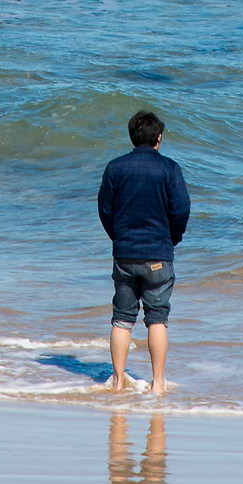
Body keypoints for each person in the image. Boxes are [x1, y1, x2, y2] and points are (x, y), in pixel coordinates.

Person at [98, 109, 190, 395]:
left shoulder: (115, 168)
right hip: (158, 254)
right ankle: (158, 383)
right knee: (157, 318)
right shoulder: (170, 169)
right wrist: (171, 239)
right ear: (159, 138)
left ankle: (118, 380)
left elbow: (105, 210)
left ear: (131, 137)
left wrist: (119, 237)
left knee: (122, 319)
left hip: (125, 253)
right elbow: (181, 210)